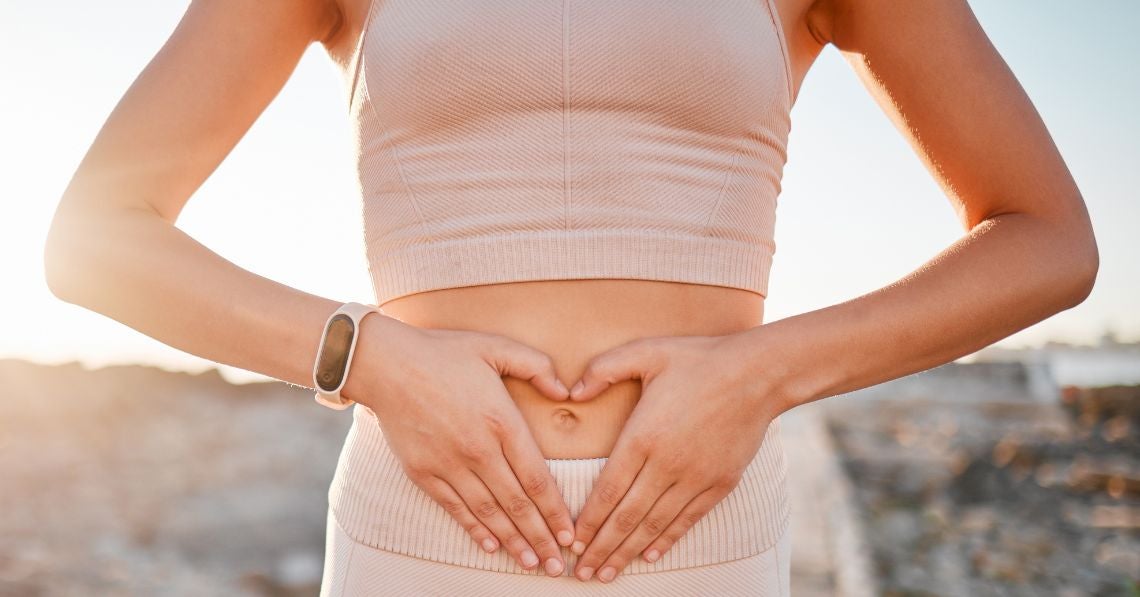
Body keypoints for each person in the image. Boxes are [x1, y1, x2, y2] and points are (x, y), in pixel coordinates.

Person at [43, 0, 1098, 594]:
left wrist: (762, 374)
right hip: (420, 533)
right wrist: (366, 357)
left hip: (702, 535)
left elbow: (1045, 236)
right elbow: (94, 238)